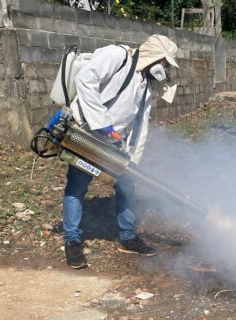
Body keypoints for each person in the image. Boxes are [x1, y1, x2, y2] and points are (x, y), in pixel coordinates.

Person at [62, 34, 180, 269]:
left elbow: (140, 123)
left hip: (116, 141)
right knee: (77, 186)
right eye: (165, 62)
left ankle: (127, 238)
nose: (164, 67)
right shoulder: (117, 56)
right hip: (88, 131)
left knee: (127, 186)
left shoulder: (147, 83)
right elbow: (85, 79)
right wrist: (101, 122)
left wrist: (133, 157)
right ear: (156, 56)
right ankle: (72, 240)